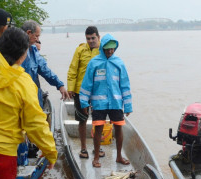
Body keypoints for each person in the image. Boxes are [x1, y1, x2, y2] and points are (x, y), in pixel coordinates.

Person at [0, 27, 57, 179]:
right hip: (2, 153)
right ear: (23, 54)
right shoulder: (22, 82)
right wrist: (50, 152)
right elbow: (36, 125)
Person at [80, 34, 132, 168]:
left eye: (112, 49)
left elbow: (125, 85)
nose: (110, 51)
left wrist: (128, 105)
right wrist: (84, 102)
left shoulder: (119, 63)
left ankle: (119, 156)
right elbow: (87, 84)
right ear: (102, 48)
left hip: (115, 102)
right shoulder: (94, 62)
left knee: (119, 128)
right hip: (98, 103)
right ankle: (96, 157)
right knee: (98, 129)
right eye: (107, 49)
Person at [67, 26, 102, 159]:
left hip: (98, 91)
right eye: (88, 39)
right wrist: (70, 87)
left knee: (98, 120)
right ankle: (83, 148)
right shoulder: (80, 50)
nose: (91, 41)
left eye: (93, 38)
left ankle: (98, 148)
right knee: (82, 120)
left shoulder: (103, 50)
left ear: (98, 37)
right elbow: (73, 69)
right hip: (80, 91)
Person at [21, 20, 69, 108]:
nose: (38, 39)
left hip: (33, 97)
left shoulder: (33, 51)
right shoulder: (13, 49)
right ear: (28, 33)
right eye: (36, 36)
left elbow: (45, 70)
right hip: (19, 96)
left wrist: (60, 85)